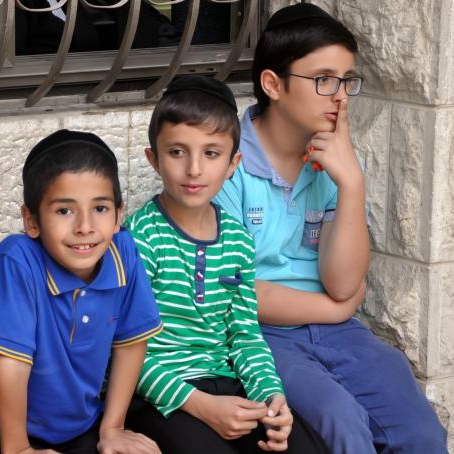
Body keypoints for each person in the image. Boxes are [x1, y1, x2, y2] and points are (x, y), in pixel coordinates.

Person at [215, 4, 448, 454]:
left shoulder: (333, 159)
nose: (340, 95)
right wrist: (334, 310)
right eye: (323, 79)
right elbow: (239, 293)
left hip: (338, 334)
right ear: (273, 84)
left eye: (347, 80)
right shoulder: (226, 161)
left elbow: (344, 282)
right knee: (342, 425)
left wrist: (352, 181)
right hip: (254, 336)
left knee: (421, 433)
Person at [124, 75, 329, 454]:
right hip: (160, 396)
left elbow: (245, 334)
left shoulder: (235, 237)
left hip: (225, 383)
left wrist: (272, 398)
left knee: (302, 446)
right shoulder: (138, 240)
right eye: (177, 152)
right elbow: (123, 351)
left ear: (234, 163)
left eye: (212, 153)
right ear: (153, 158)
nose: (194, 169)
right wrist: (202, 406)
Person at [0, 130, 164, 454]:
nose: (85, 226)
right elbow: (12, 364)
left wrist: (113, 427)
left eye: (100, 208)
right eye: (64, 211)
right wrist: (18, 449)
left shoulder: (124, 253)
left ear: (120, 214)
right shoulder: (18, 258)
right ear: (32, 221)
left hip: (78, 426)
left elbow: (131, 342)